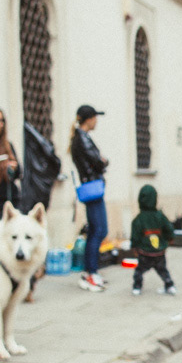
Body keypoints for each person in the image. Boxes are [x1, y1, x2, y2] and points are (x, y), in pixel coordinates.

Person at [69, 104, 109, 292]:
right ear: (89, 119)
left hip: (91, 187)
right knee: (99, 229)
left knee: (96, 229)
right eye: (95, 117)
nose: (97, 121)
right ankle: (90, 273)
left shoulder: (81, 138)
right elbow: (97, 162)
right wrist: (103, 161)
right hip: (92, 188)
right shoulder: (82, 139)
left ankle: (91, 272)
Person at [128, 184, 177, 296]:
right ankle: (169, 285)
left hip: (144, 252)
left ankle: (137, 287)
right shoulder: (160, 216)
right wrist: (168, 240)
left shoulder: (138, 219)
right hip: (159, 252)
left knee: (139, 270)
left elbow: (135, 236)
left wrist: (134, 247)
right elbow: (169, 229)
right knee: (162, 270)